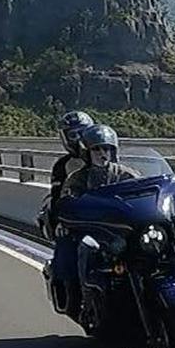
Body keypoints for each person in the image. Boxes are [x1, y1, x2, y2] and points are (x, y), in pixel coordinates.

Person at [47, 125, 142, 315]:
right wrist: (64, 222)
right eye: (96, 149)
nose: (102, 153)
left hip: (122, 229)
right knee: (86, 246)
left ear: (113, 151)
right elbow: (66, 202)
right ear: (87, 152)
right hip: (94, 230)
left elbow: (143, 191)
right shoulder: (78, 179)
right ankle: (87, 301)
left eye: (106, 149)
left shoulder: (127, 174)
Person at [39, 110, 96, 240]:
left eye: (83, 132)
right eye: (73, 135)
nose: (80, 139)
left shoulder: (103, 155)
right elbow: (57, 198)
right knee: (65, 251)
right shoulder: (62, 165)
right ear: (65, 138)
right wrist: (61, 221)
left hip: (104, 215)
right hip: (76, 220)